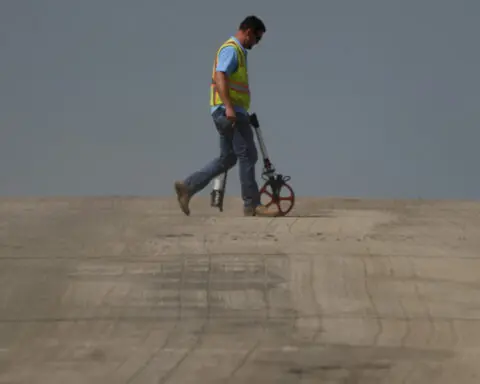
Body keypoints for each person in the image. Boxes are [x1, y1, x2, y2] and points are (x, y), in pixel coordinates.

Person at [173, 15, 276, 217]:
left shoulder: (237, 51)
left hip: (226, 111)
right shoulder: (232, 49)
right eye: (257, 38)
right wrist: (229, 107)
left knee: (228, 158)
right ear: (248, 31)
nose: (256, 43)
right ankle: (252, 204)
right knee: (248, 154)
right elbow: (221, 75)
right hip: (229, 112)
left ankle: (188, 187)